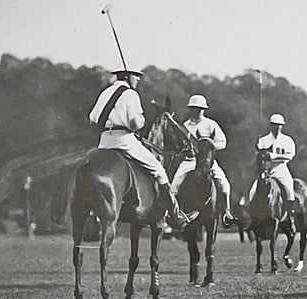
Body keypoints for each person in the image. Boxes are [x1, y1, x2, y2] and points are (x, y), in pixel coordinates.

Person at [89, 68, 191, 228]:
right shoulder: (131, 94)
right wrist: (141, 121)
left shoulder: (105, 92)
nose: (137, 81)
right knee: (159, 170)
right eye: (136, 78)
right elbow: (135, 123)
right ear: (129, 77)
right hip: (124, 140)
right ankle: (175, 215)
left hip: (104, 141)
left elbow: (93, 118)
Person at [171, 94, 232, 226]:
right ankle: (174, 215)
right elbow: (178, 145)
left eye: (200, 108)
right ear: (190, 109)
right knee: (174, 185)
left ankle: (227, 213)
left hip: (206, 161)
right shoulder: (185, 126)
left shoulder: (211, 124)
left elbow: (223, 142)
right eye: (195, 108)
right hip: (190, 160)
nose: (198, 111)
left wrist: (209, 146)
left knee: (224, 183)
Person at [252, 113, 297, 209]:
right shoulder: (263, 140)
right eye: (274, 124)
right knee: (252, 192)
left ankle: (291, 218)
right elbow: (258, 157)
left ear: (282, 126)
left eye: (279, 125)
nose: (277, 127)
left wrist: (275, 156)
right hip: (266, 170)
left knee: (289, 189)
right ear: (270, 125)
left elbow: (290, 156)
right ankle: (252, 217)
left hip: (280, 169)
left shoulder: (287, 140)